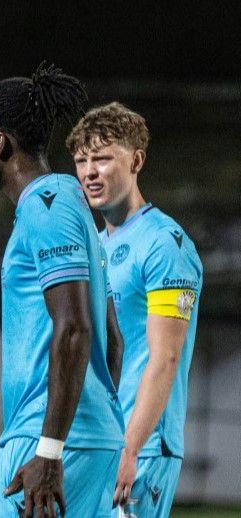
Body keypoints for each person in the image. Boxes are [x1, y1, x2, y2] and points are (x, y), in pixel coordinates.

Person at [0, 63, 125, 518]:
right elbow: (112, 341)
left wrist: (53, 449)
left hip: (48, 441)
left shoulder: (46, 204)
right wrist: (92, 422)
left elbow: (75, 327)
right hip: (86, 437)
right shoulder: (75, 207)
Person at [66, 102, 203, 518]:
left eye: (103, 158)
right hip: (100, 443)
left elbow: (166, 357)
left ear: (137, 160)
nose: (90, 171)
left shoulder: (165, 244)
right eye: (81, 160)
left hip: (137, 450)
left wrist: (131, 446)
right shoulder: (96, 245)